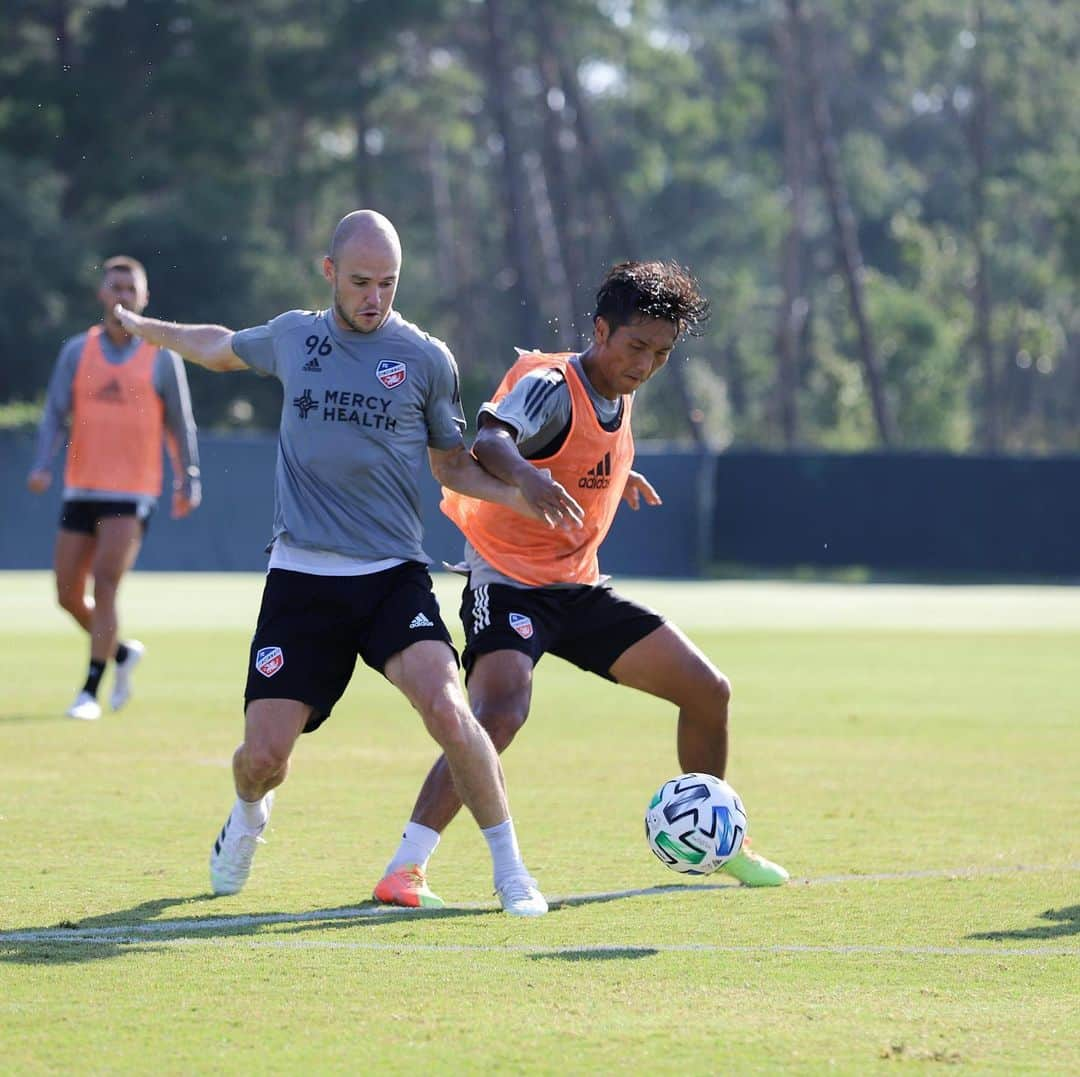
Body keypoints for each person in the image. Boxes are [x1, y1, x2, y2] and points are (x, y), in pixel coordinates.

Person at [114, 210, 568, 915]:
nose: (374, 297)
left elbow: (452, 466)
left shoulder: (425, 358)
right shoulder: (295, 336)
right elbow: (217, 348)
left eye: (387, 283)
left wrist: (521, 495)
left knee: (452, 709)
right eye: (360, 282)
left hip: (391, 577)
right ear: (330, 273)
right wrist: (149, 330)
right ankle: (247, 815)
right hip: (301, 580)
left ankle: (512, 872)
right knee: (261, 759)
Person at [374, 260, 788, 909]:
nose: (646, 363)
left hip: (576, 588)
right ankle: (407, 865)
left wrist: (617, 478)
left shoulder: (619, 389)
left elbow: (581, 450)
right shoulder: (550, 382)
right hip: (507, 582)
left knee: (709, 691)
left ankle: (717, 839)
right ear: (600, 329)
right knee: (499, 714)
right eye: (635, 346)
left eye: (660, 352)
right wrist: (527, 478)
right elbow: (492, 437)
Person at [27, 256, 202, 722]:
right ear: (102, 294)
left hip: (133, 492)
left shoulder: (161, 355)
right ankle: (121, 653)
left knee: (104, 583)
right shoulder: (76, 352)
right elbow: (54, 414)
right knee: (66, 593)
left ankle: (89, 691)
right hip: (81, 488)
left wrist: (189, 477)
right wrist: (43, 463)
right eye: (115, 286)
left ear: (144, 298)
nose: (122, 294)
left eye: (131, 288)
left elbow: (180, 424)